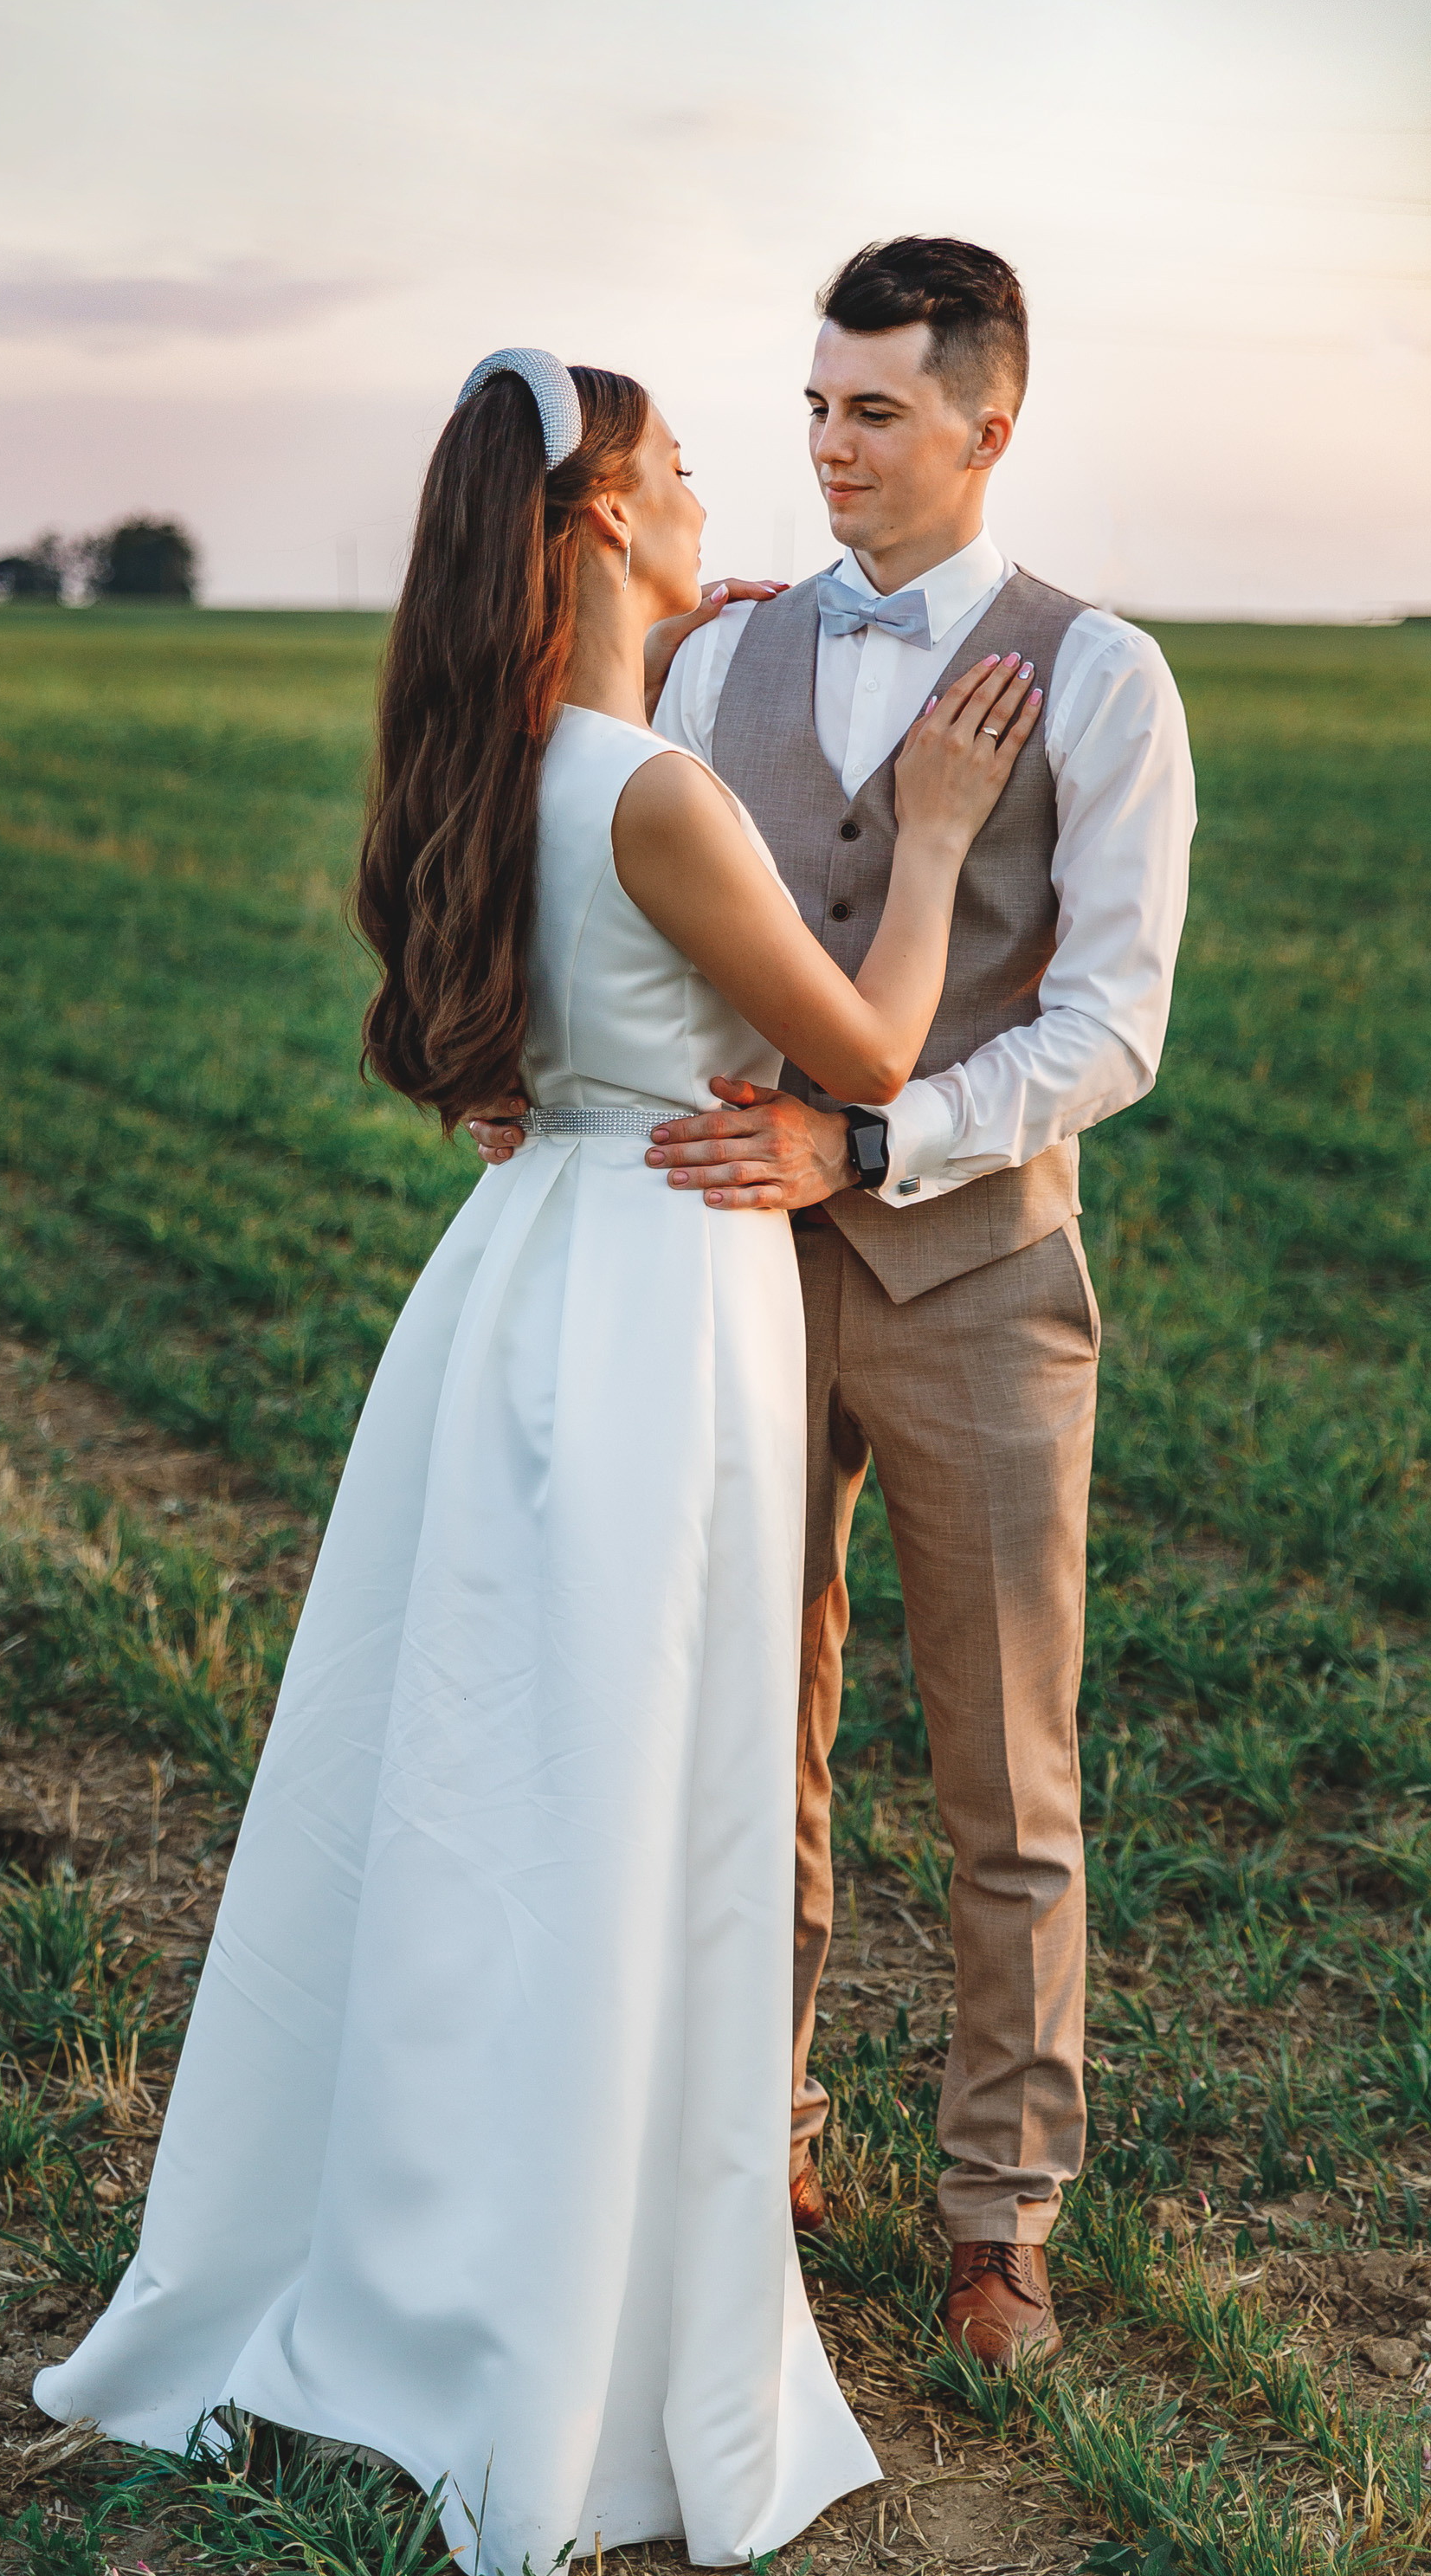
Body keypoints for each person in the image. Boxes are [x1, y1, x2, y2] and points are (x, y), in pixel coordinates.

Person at [35, 345, 1037, 2567]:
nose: (718, 495)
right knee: (622, 1794)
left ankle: (407, 2248)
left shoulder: (502, 765)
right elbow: (864, 1045)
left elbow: (503, 1024)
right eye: (679, 473)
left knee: (472, 1781)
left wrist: (682, 643)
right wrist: (940, 837)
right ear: (596, 519)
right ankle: (565, 2313)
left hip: (518, 1274)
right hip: (665, 1296)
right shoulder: (655, 798)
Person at [474, 236, 1197, 2373]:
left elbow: (1111, 1025)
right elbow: (633, 912)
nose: (825, 448)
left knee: (1005, 1771)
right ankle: (754, 2132)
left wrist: (877, 1144)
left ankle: (997, 2215)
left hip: (978, 1273)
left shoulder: (1104, 676)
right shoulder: (716, 662)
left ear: (989, 421)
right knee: (736, 1733)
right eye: (807, 407)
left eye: (872, 410)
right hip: (727, 1264)